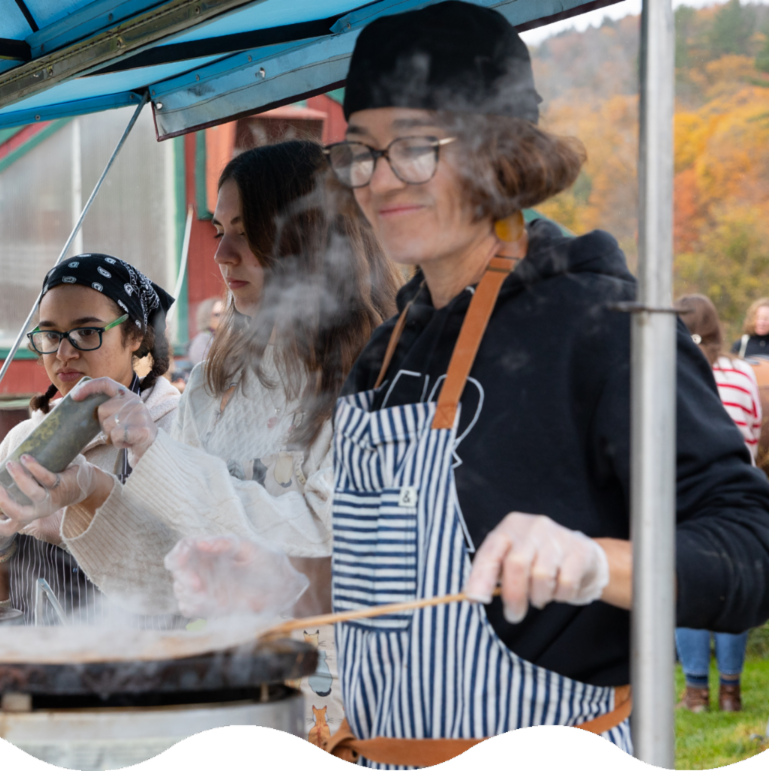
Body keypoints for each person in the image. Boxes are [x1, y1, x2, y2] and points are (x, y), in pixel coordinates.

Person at [165, 3, 769, 765]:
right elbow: (389, 595)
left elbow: (752, 545)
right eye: (362, 153)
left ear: (501, 151)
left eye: (416, 148)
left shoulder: (598, 323)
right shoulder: (383, 355)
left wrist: (594, 561)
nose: (381, 181)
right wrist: (287, 584)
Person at [0, 140, 399, 731]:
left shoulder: (378, 373)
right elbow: (172, 579)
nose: (224, 253)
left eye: (246, 230)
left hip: (345, 705)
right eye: (220, 230)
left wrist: (156, 454)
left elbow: (330, 548)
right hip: (230, 688)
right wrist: (88, 495)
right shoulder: (217, 378)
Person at [0, 254, 180, 627]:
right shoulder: (24, 439)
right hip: (35, 670)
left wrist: (94, 493)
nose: (64, 353)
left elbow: (192, 580)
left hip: (145, 670)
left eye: (87, 332)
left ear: (136, 336)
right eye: (51, 335)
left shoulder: (177, 429)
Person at [675, 294, 761, 712]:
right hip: (737, 486)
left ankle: (695, 692)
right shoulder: (742, 371)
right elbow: (756, 428)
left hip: (681, 489)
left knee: (686, 581)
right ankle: (731, 691)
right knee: (733, 586)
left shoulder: (668, 369)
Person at [187, 297, 225, 365]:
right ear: (206, 316)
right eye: (217, 314)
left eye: (226, 313)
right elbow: (207, 369)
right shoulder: (201, 342)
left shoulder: (230, 337)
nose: (224, 317)